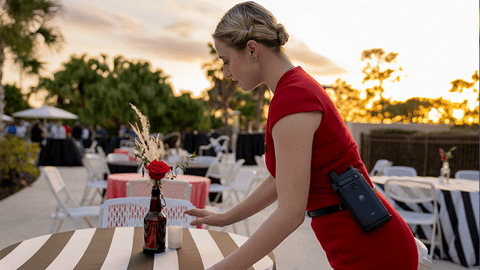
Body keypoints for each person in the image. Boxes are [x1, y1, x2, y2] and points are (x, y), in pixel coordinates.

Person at [184, 2, 417, 270]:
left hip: (371, 250)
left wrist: (222, 268)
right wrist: (226, 217)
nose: (226, 72)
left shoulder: (293, 98)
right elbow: (280, 179)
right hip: (360, 241)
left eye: (226, 61)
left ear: (251, 49)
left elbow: (290, 214)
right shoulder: (294, 90)